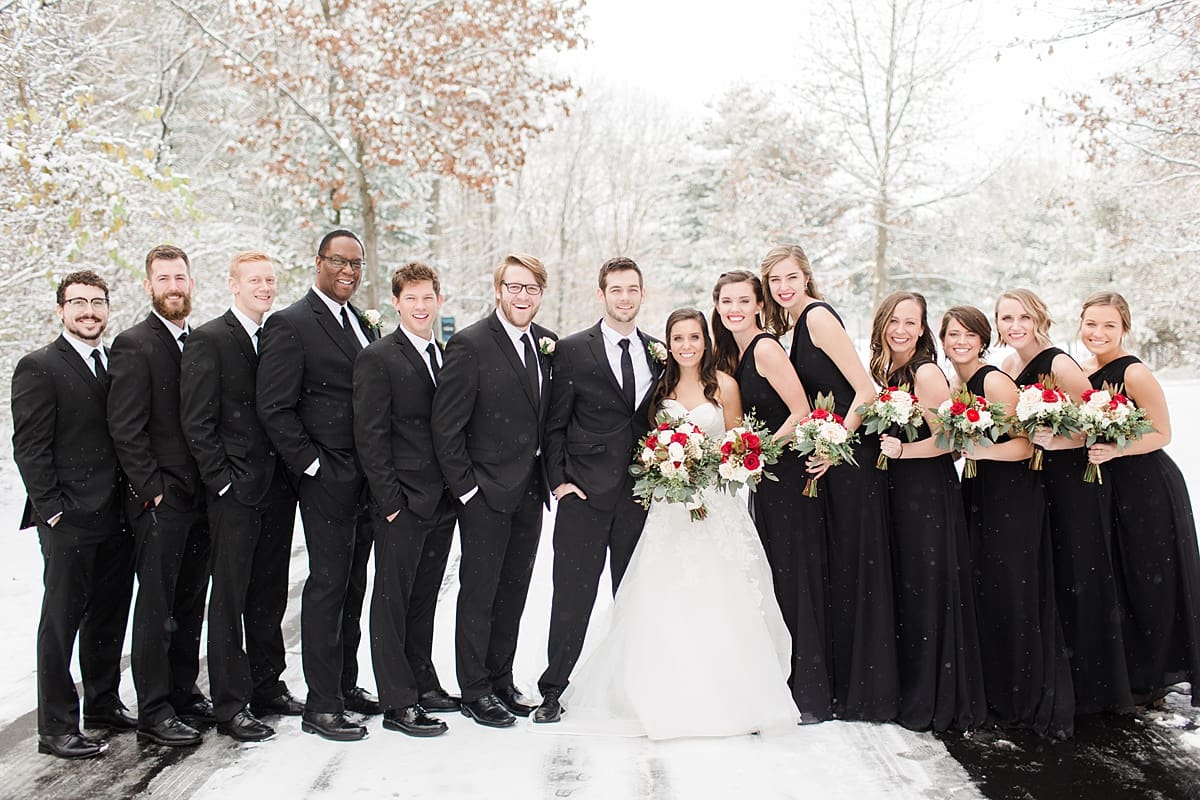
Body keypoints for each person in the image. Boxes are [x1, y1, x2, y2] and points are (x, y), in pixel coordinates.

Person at [555, 309, 799, 739]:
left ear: (706, 340)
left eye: (694, 337)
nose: (687, 345)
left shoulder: (724, 384)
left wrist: (711, 466)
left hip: (714, 505)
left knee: (721, 594)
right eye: (678, 338)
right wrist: (668, 464)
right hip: (669, 506)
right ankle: (661, 690)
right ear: (668, 343)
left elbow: (737, 441)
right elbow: (647, 440)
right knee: (664, 594)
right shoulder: (660, 385)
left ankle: (730, 692)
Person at [759, 244, 898, 722]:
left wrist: (836, 441)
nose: (784, 287)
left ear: (806, 277)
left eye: (791, 277)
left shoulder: (817, 318)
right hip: (829, 462)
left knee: (855, 570)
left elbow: (865, 390)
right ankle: (839, 688)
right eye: (775, 280)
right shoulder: (789, 329)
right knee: (837, 573)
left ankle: (865, 692)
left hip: (849, 460)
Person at [256, 229, 381, 742]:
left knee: (354, 583)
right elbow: (274, 407)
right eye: (338, 261)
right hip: (326, 477)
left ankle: (346, 684)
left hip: (365, 477)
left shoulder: (361, 323)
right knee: (328, 586)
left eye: (356, 263)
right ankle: (321, 704)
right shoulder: (290, 324)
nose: (348, 271)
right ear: (318, 263)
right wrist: (313, 466)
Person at [533, 257, 663, 725]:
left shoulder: (658, 352)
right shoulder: (570, 351)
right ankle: (553, 689)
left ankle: (636, 685)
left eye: (632, 289)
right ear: (601, 295)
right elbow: (554, 423)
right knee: (572, 597)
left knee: (633, 596)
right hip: (583, 496)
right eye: (615, 290)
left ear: (642, 294)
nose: (624, 298)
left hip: (639, 498)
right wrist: (559, 482)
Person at [12, 271, 135, 759]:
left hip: (116, 515)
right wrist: (53, 513)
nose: (89, 311)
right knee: (61, 621)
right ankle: (56, 726)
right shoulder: (39, 366)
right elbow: (30, 448)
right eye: (78, 303)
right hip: (69, 518)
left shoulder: (114, 363)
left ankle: (102, 704)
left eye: (98, 302)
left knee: (108, 615)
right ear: (60, 309)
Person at [179, 251, 300, 743]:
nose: (265, 287)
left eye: (270, 279)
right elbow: (197, 420)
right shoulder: (209, 338)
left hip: (277, 488)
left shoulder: (277, 335)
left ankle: (268, 685)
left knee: (269, 592)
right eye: (255, 279)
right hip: (233, 492)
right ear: (233, 284)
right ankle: (231, 703)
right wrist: (222, 480)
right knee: (229, 598)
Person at [432, 253, 557, 728]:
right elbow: (447, 429)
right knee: (480, 594)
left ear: (540, 294)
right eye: (514, 287)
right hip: (484, 494)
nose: (522, 296)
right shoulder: (469, 345)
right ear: (498, 289)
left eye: (531, 289)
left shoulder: (547, 345)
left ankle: (501, 679)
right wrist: (467, 491)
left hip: (529, 493)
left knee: (514, 592)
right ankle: (475, 689)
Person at [996, 288, 1133, 715]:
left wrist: (1058, 439)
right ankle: (1062, 676)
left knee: (1081, 573)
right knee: (1052, 575)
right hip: (1037, 483)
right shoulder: (1007, 364)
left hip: (1075, 480)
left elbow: (1101, 421)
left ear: (1039, 318)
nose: (1014, 326)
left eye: (1022, 317)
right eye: (1005, 318)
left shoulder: (1058, 362)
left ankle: (1097, 686)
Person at [943, 305, 1074, 738]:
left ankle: (1024, 695)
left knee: (1014, 591)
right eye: (952, 335)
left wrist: (978, 452)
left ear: (983, 340)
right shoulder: (958, 383)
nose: (960, 342)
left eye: (969, 335)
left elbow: (1025, 447)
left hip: (1013, 495)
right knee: (990, 590)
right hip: (982, 493)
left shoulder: (993, 380)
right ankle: (998, 689)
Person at [107, 245, 212, 747]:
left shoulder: (200, 340)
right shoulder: (134, 344)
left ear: (192, 283)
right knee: (156, 607)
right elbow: (125, 428)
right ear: (149, 286)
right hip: (161, 501)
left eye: (181, 277)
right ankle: (154, 708)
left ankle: (184, 692)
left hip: (202, 498)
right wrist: (152, 491)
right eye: (164, 277)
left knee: (190, 602)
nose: (174, 285)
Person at [352, 262, 459, 738]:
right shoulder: (379, 357)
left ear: (439, 301)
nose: (420, 306)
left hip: (441, 502)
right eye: (410, 298)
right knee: (392, 602)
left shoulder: (447, 354)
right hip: (401, 502)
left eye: (427, 298)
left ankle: (422, 680)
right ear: (396, 303)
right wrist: (390, 501)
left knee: (422, 601)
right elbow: (370, 437)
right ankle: (398, 701)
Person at [871, 292, 986, 732]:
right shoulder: (890, 372)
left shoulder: (926, 372)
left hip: (928, 496)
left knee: (928, 589)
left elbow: (951, 441)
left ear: (922, 330)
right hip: (899, 495)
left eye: (911, 322)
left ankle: (935, 696)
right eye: (894, 321)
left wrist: (901, 451)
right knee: (909, 589)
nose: (901, 329)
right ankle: (912, 687)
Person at [1080, 292, 1200, 708]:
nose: (1099, 333)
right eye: (1092, 324)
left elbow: (1163, 432)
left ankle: (1154, 672)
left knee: (1150, 579)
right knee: (1119, 576)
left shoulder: (1133, 373)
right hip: (1106, 487)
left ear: (1124, 328)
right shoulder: (1081, 370)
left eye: (1109, 325)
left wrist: (1118, 449)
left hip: (1146, 485)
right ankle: (1127, 666)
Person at [712, 270, 816, 715]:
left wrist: (758, 453)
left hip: (788, 476)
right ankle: (780, 676)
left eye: (743, 301)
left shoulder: (767, 347)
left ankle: (807, 687)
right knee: (773, 576)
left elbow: (802, 411)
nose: (734, 309)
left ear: (758, 305)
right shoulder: (733, 353)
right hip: (766, 480)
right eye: (726, 302)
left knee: (792, 576)